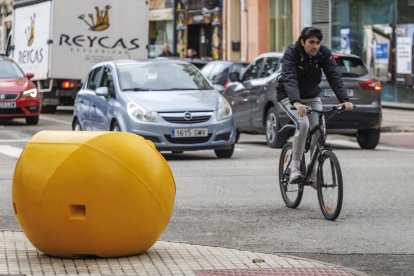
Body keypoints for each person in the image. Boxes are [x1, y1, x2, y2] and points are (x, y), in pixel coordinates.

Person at [276, 26, 354, 185]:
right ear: (302, 42)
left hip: (311, 97)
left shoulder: (323, 53)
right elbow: (289, 78)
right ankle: (295, 169)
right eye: (311, 42)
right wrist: (296, 102)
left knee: (319, 130)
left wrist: (344, 100)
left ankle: (313, 173)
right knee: (303, 125)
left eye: (318, 43)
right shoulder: (292, 53)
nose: (315, 46)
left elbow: (334, 75)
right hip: (288, 97)